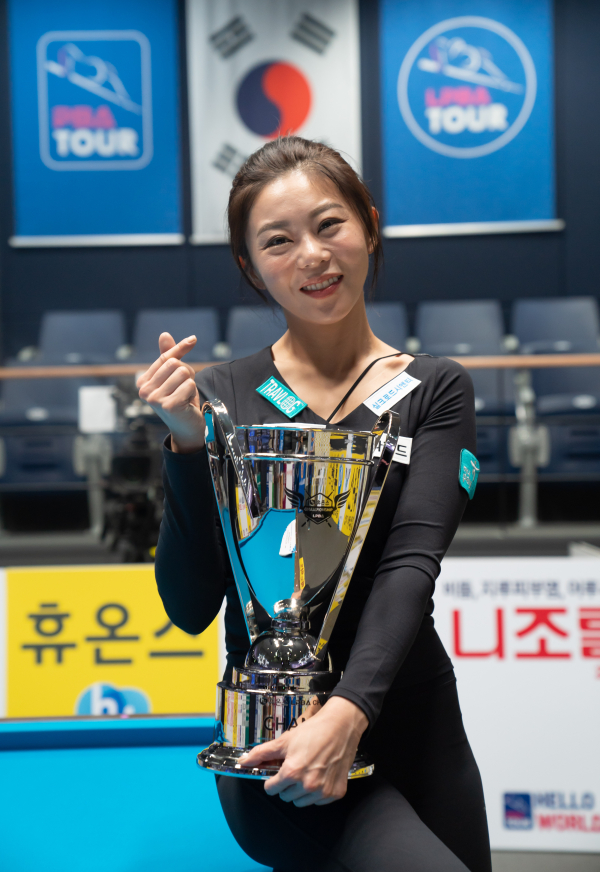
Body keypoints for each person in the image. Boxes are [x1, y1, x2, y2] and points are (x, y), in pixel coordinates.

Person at [138, 136, 492, 872]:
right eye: (278, 240)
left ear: (369, 224)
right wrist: (186, 449)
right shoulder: (218, 398)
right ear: (250, 265)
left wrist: (351, 711)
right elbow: (189, 606)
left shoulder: (436, 389)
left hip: (414, 724)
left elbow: (409, 567)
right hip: (278, 740)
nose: (312, 255)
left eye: (330, 224)